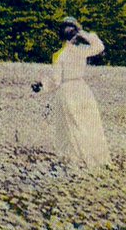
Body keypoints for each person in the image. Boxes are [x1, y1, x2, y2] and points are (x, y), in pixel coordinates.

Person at [33, 17, 110, 168]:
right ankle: (96, 159)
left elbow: (55, 81)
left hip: (67, 91)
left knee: (71, 126)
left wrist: (41, 85)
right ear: (75, 35)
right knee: (89, 123)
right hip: (82, 89)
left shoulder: (59, 55)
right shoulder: (81, 51)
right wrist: (84, 33)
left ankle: (76, 159)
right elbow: (100, 46)